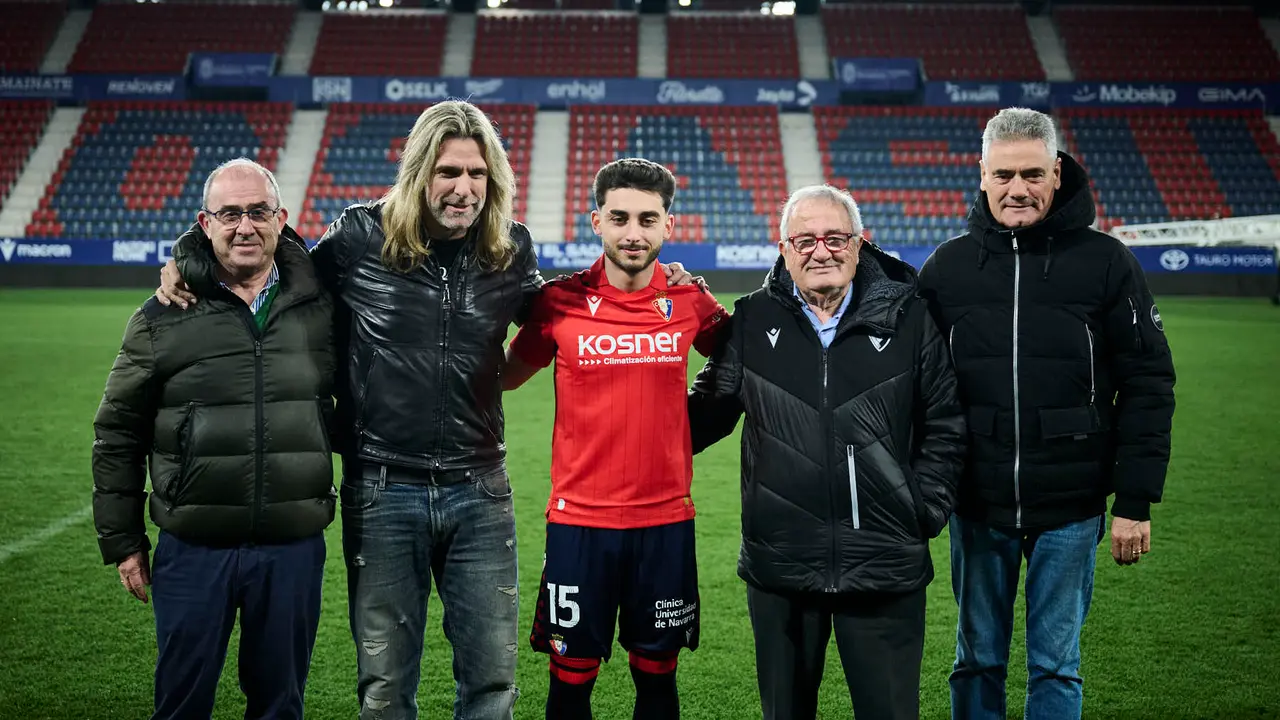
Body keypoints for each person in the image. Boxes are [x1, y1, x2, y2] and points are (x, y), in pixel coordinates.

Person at [156, 100, 699, 720]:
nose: (463, 188)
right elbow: (266, 252)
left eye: (476, 174)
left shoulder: (509, 248)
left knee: (493, 684)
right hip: (384, 489)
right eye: (448, 172)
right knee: (386, 688)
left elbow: (570, 309)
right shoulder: (359, 238)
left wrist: (660, 276)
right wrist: (187, 258)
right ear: (419, 172)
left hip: (480, 488)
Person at [916, 107, 1177, 720]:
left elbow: (1147, 383)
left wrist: (1134, 502)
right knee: (976, 658)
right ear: (982, 176)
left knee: (1056, 666)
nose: (1018, 189)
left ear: (1056, 174)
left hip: (1073, 507)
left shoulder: (1108, 262)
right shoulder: (947, 268)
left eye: (1032, 174)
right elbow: (916, 387)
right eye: (1004, 175)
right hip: (976, 505)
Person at [688, 184, 967, 720]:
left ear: (861, 243)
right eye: (806, 239)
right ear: (784, 248)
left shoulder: (911, 319)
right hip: (781, 566)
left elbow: (947, 424)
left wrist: (921, 510)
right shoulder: (751, 319)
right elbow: (704, 415)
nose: (822, 250)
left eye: (836, 238)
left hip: (885, 563)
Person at [92, 158, 335, 720]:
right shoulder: (161, 316)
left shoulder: (322, 307)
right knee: (181, 704)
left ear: (282, 219)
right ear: (205, 223)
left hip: (292, 545)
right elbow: (117, 430)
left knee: (280, 705)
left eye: (257, 212)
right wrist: (123, 538)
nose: (244, 227)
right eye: (229, 214)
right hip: (194, 546)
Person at [502, 158, 728, 720]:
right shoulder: (560, 302)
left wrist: (699, 425)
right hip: (580, 525)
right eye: (620, 218)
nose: (634, 233)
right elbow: (497, 380)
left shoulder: (690, 304)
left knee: (656, 680)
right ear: (596, 220)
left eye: (649, 220)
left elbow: (748, 357)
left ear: (669, 227)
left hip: (666, 524)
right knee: (570, 683)